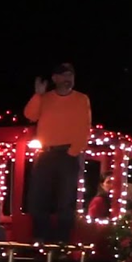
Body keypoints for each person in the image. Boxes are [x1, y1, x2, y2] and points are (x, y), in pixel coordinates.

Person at [24, 62, 92, 242]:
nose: (68, 79)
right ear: (55, 78)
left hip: (67, 153)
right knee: (38, 197)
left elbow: (84, 127)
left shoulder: (81, 99)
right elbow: (30, 115)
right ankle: (40, 237)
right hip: (46, 152)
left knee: (66, 200)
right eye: (64, 75)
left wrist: (73, 151)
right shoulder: (45, 98)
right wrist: (37, 95)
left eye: (70, 75)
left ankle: (62, 241)